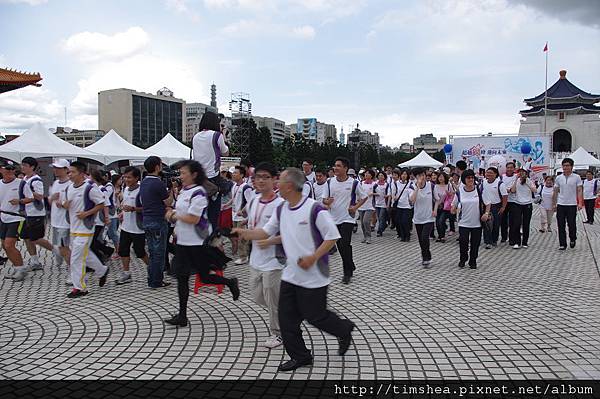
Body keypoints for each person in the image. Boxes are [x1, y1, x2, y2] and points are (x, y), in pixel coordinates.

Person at [234, 167, 355, 372]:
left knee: (315, 316)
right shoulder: (282, 209)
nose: (276, 184)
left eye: (279, 180)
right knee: (286, 319)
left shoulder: (314, 209)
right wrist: (242, 232)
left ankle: (344, 329)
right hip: (291, 274)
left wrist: (313, 257)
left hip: (315, 275)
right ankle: (301, 356)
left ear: (289, 186)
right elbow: (265, 231)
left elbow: (332, 236)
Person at [164, 160, 239, 327]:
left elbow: (194, 218)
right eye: (181, 173)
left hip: (197, 242)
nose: (181, 176)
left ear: (194, 174)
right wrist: (174, 216)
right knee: (182, 278)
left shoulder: (199, 193)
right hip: (183, 242)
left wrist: (173, 216)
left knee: (204, 276)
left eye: (184, 173)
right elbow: (181, 212)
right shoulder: (184, 191)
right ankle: (182, 315)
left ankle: (230, 282)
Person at [244, 162, 284, 348]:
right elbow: (252, 225)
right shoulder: (253, 200)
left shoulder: (281, 205)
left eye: (265, 177)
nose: (260, 180)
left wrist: (270, 241)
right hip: (255, 260)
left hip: (274, 262)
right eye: (257, 177)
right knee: (257, 296)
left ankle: (278, 333)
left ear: (275, 180)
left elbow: (289, 234)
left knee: (272, 299)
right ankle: (287, 312)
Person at [63, 161, 109, 297]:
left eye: (73, 172)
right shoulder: (69, 188)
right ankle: (102, 270)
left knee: (76, 258)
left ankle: (80, 288)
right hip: (73, 228)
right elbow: (68, 205)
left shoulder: (90, 187)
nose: (70, 174)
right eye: (69, 172)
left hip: (86, 229)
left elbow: (101, 204)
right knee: (85, 255)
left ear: (82, 174)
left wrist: (87, 213)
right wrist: (64, 204)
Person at [323, 157, 366, 284]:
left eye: (338, 166)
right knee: (341, 245)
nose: (335, 168)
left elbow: (364, 197)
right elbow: (324, 199)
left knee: (344, 243)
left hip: (348, 218)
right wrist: (327, 201)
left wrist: (355, 207)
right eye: (335, 165)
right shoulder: (329, 182)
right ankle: (350, 264)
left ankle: (347, 273)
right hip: (333, 218)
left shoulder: (354, 183)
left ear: (345, 168)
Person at [18, 157, 61, 272]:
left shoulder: (36, 180)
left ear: (32, 167)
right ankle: (35, 260)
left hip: (36, 213)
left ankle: (56, 250)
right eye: (22, 165)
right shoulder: (25, 178)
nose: (22, 167)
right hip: (25, 213)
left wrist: (26, 191)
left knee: (36, 238)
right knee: (26, 237)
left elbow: (40, 196)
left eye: (25, 165)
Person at [192, 111, 230, 230]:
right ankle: (212, 238)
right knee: (213, 215)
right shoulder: (216, 135)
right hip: (213, 178)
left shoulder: (195, 136)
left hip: (198, 179)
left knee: (201, 211)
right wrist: (223, 135)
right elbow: (225, 152)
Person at [140, 156, 173, 289]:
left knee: (153, 252)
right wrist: (171, 191)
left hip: (147, 220)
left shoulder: (144, 182)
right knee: (159, 253)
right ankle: (156, 281)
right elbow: (168, 202)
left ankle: (152, 278)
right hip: (158, 220)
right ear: (157, 167)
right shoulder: (157, 183)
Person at [116, 166, 149, 285]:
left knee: (139, 251)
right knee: (123, 250)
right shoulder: (125, 189)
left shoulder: (141, 191)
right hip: (125, 227)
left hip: (138, 228)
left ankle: (152, 269)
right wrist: (122, 213)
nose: (126, 179)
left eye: (129, 177)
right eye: (125, 177)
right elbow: (125, 203)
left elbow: (147, 208)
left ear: (136, 178)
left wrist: (134, 209)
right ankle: (126, 273)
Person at [451, 169, 484, 269]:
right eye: (468, 178)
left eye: (472, 178)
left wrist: (486, 213)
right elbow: (454, 204)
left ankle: (473, 260)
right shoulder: (460, 192)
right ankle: (463, 258)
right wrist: (453, 208)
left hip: (477, 223)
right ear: (464, 179)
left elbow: (487, 202)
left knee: (475, 243)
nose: (471, 179)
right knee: (463, 242)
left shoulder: (479, 190)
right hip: (463, 222)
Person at [48, 159, 73, 284]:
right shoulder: (56, 183)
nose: (55, 170)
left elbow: (72, 204)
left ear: (66, 169)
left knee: (64, 248)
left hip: (65, 222)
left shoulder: (70, 185)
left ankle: (73, 272)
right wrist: (51, 198)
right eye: (54, 168)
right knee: (60, 247)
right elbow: (49, 200)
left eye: (58, 168)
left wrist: (62, 204)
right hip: (55, 221)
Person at [1, 161, 26, 281]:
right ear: (1, 170)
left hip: (16, 217)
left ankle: (21, 269)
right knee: (4, 246)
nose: (10, 171)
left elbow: (31, 198)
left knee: (9, 244)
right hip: (3, 217)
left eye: (12, 169)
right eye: (7, 169)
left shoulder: (21, 183)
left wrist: (20, 201)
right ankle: (17, 267)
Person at [552, 158, 583, 250]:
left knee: (571, 224)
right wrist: (554, 204)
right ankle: (562, 243)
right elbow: (556, 191)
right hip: (561, 204)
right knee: (560, 224)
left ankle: (572, 238)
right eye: (564, 166)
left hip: (572, 204)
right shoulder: (558, 178)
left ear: (571, 167)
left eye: (567, 165)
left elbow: (579, 190)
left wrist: (580, 203)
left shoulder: (576, 177)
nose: (565, 167)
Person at [409, 168, 436, 267]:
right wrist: (418, 187)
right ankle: (425, 256)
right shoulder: (411, 187)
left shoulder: (431, 186)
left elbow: (437, 199)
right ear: (415, 177)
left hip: (429, 217)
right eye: (419, 176)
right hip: (418, 217)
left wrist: (435, 209)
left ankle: (426, 258)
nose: (422, 177)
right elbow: (412, 200)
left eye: (423, 175)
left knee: (425, 237)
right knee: (421, 239)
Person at [228, 165, 253, 265]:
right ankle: (245, 254)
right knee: (237, 236)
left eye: (235, 173)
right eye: (233, 173)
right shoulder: (234, 186)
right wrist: (227, 205)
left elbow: (250, 202)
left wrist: (242, 210)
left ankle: (243, 257)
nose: (233, 174)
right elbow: (233, 199)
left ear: (242, 175)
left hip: (242, 217)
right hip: (234, 215)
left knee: (242, 237)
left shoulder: (246, 187)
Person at [509, 168, 536, 249]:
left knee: (526, 224)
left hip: (527, 204)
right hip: (517, 203)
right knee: (516, 223)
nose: (521, 173)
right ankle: (517, 241)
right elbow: (513, 190)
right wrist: (516, 179)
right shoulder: (516, 180)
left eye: (523, 172)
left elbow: (535, 190)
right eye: (520, 172)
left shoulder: (529, 181)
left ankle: (525, 242)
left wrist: (527, 182)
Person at [481, 167, 507, 249]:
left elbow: (505, 196)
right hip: (486, 206)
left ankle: (494, 240)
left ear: (496, 174)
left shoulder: (500, 183)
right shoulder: (483, 182)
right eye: (487, 172)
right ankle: (487, 241)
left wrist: (503, 207)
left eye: (491, 173)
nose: (489, 174)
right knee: (486, 224)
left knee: (495, 224)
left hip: (496, 206)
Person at [393, 169, 413, 242]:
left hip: (407, 206)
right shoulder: (397, 183)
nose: (404, 176)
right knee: (399, 221)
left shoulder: (410, 184)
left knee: (405, 221)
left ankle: (407, 236)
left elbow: (411, 193)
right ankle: (402, 236)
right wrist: (394, 197)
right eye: (402, 174)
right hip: (399, 205)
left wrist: (411, 199)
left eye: (405, 174)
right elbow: (394, 192)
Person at [500, 162, 518, 244]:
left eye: (511, 167)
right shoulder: (502, 177)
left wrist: (510, 190)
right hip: (504, 201)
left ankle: (512, 238)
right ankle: (504, 237)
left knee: (512, 221)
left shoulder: (516, 177)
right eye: (508, 167)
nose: (509, 169)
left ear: (514, 168)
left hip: (513, 201)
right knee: (503, 220)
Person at [357, 170, 376, 244]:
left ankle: (369, 237)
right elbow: (358, 192)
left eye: (368, 173)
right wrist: (358, 198)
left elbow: (380, 193)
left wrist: (373, 193)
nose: (366, 175)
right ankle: (365, 236)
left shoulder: (374, 184)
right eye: (365, 173)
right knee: (362, 223)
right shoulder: (361, 183)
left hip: (370, 205)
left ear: (371, 175)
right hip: (361, 205)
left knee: (366, 221)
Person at [434, 172, 452, 243]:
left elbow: (452, 194)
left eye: (442, 177)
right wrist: (438, 204)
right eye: (439, 177)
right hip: (438, 206)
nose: (441, 178)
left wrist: (449, 194)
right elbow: (436, 197)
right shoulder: (436, 186)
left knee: (441, 221)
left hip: (446, 207)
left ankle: (443, 236)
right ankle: (440, 236)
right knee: (438, 222)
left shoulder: (448, 185)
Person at [374, 171, 390, 237]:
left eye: (382, 175)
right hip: (377, 203)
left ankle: (379, 231)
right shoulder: (375, 184)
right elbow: (371, 192)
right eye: (379, 175)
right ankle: (383, 225)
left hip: (384, 203)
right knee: (379, 218)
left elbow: (389, 194)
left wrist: (387, 197)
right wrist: (375, 194)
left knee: (381, 216)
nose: (380, 177)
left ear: (384, 177)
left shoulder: (387, 184)